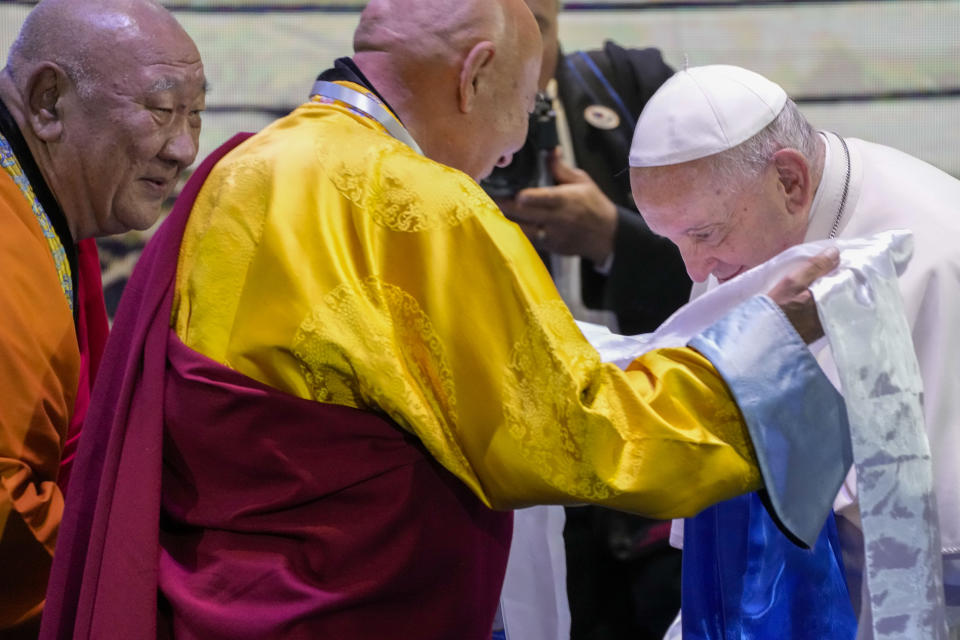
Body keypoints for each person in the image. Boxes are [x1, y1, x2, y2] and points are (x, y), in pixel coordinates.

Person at [41, 4, 847, 640]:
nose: (509, 152)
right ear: (476, 73)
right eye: (528, 110)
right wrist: (759, 346)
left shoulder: (245, 168)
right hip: (345, 609)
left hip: (213, 597)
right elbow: (582, 436)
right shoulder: (417, 207)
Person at [629, 64, 960, 637]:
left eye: (703, 235)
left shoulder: (937, 250)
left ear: (789, 180)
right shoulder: (739, 236)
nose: (696, 270)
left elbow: (930, 543)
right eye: (672, 241)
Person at [0, 0, 205, 635]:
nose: (185, 150)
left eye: (196, 117)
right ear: (48, 101)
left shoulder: (48, 205)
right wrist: (148, 580)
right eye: (162, 110)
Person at [497, 2, 691, 638]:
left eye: (536, 27)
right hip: (509, 459)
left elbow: (731, 267)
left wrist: (613, 237)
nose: (517, 52)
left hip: (645, 454)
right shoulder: (423, 130)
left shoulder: (633, 90)